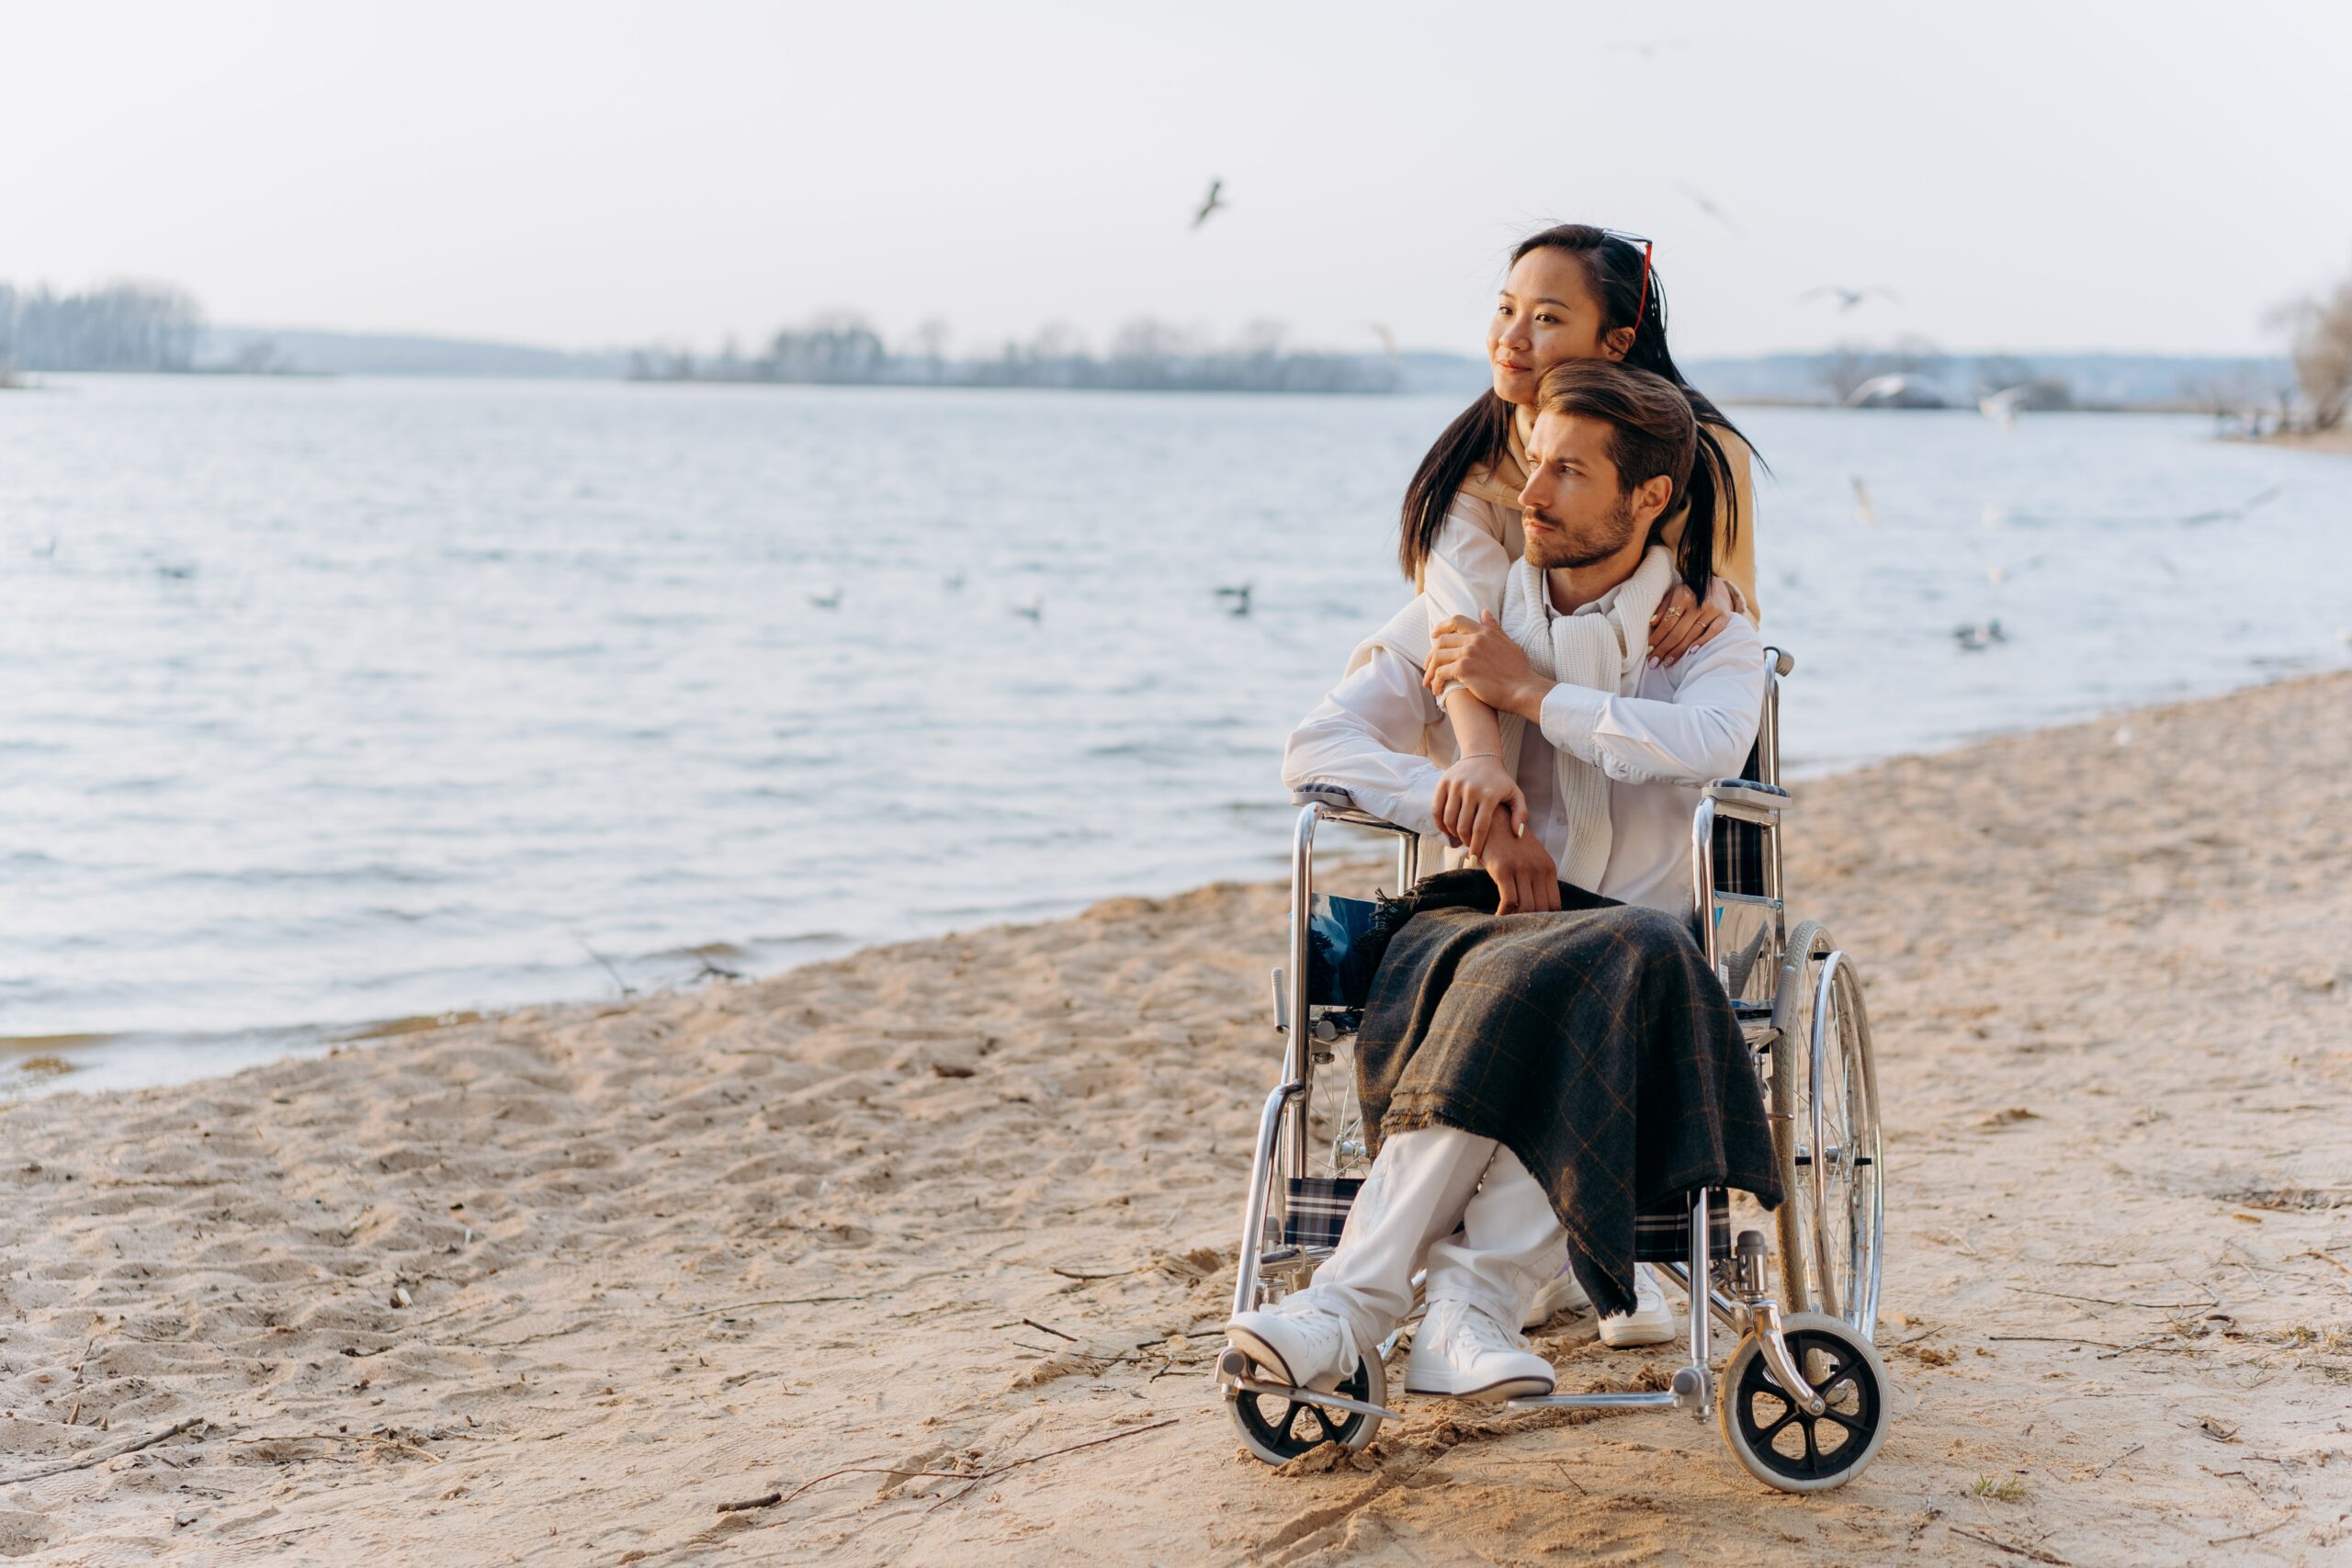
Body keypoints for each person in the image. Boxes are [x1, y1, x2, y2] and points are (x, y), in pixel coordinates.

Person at [1234, 360, 1773, 1403]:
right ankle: (1437, 1309)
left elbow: (1709, 743)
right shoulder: (1469, 622)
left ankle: (1363, 1309)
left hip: (1637, 944)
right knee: (1563, 970)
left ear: (1647, 498)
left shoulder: (1703, 631)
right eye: (1533, 465)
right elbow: (1315, 747)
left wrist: (1532, 696)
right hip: (1479, 921)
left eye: (1569, 473)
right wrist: (1460, 800)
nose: (1530, 495)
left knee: (1615, 956)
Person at [1409, 225, 1762, 864]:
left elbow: (1725, 608)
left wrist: (1715, 596)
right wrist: (1487, 787)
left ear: (1617, 343)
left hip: (1639, 749)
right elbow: (1460, 635)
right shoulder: (1470, 468)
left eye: (1546, 319)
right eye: (1506, 309)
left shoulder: (1705, 456)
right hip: (1493, 741)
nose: (1512, 338)